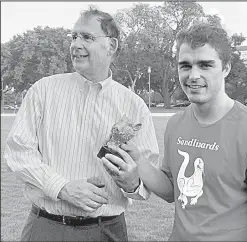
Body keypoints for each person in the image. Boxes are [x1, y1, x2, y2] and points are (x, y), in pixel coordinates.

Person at [102, 22, 247, 241]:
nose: (193, 75)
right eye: (185, 65)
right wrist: (137, 158)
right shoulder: (176, 124)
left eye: (205, 65)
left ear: (226, 68)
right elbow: (172, 190)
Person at [4, 5, 159, 242]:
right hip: (47, 227)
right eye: (74, 36)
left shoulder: (135, 107)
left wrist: (133, 183)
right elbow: (18, 153)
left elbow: (146, 183)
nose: (76, 44)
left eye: (86, 37)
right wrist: (62, 188)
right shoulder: (43, 91)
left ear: (112, 46)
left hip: (107, 231)